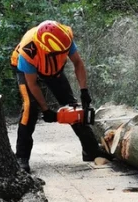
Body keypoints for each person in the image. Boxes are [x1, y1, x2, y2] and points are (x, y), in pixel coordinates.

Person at [11, 20, 106, 173]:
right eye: (59, 54)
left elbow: (78, 63)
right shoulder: (29, 51)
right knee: (31, 108)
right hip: (25, 70)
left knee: (73, 107)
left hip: (53, 70)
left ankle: (91, 150)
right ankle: (22, 156)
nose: (63, 55)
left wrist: (84, 91)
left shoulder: (64, 38)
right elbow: (33, 84)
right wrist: (46, 110)